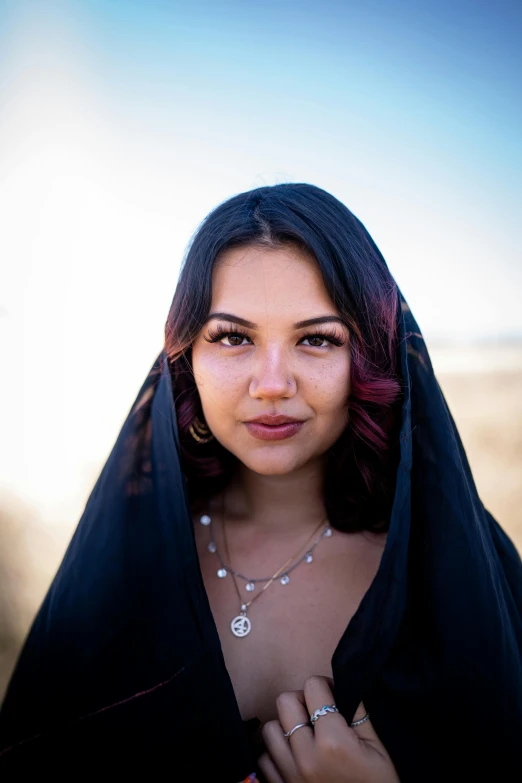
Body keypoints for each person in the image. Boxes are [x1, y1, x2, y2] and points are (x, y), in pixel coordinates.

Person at [0, 183, 521, 782]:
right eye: (233, 337)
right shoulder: (124, 561)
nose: (272, 383)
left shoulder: (455, 572)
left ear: (371, 356)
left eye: (318, 338)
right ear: (185, 356)